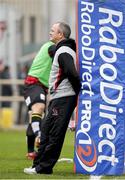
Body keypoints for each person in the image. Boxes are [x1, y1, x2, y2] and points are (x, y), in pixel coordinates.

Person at [24, 22, 81, 174]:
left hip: (63, 98)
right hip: (58, 98)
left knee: (55, 134)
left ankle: (44, 168)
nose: (50, 33)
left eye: (52, 30)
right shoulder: (61, 49)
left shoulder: (63, 50)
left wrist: (77, 91)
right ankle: (37, 166)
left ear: (60, 34)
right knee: (46, 130)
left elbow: (72, 74)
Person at [23, 41, 56, 160]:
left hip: (40, 86)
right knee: (39, 108)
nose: (50, 32)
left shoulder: (52, 46)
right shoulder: (51, 46)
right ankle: (40, 136)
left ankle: (31, 151)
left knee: (35, 115)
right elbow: (57, 53)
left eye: (53, 31)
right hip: (34, 83)